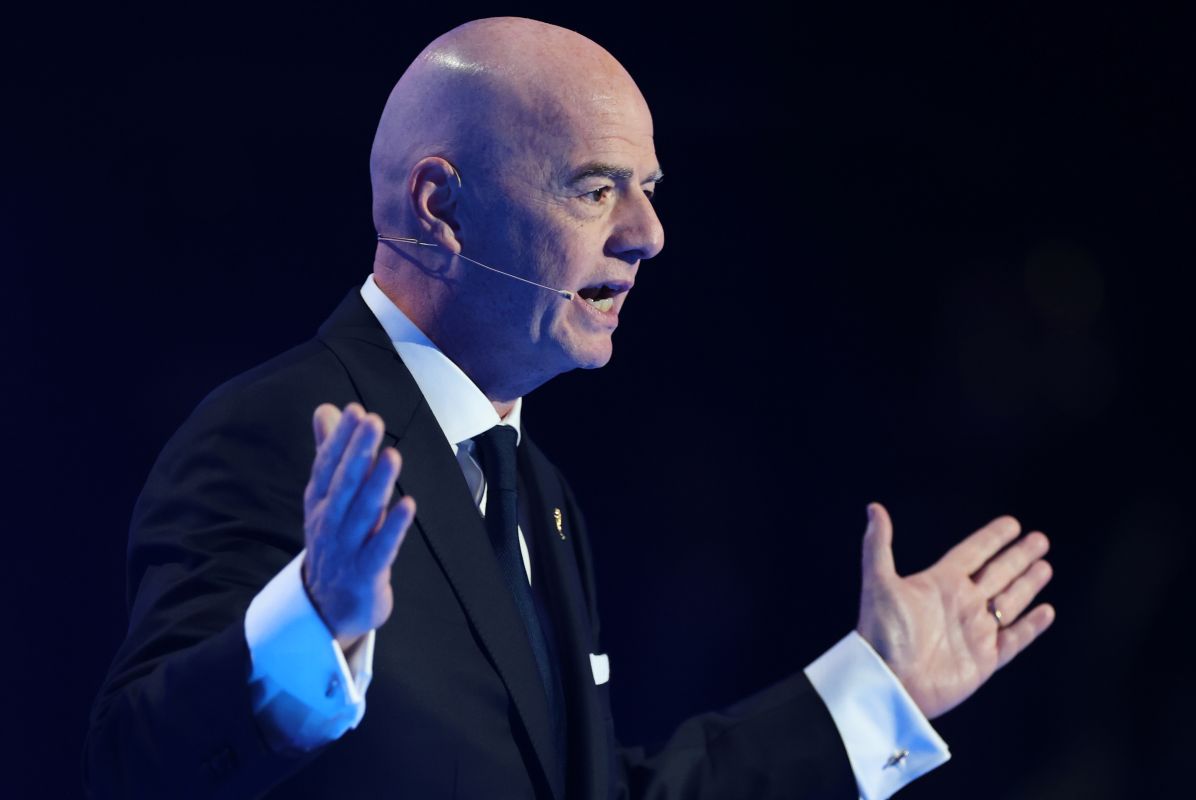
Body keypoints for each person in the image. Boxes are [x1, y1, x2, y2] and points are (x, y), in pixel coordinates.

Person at [85, 16, 1055, 800]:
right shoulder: (277, 430)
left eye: (649, 191)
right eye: (596, 189)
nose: (649, 234)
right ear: (440, 206)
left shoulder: (535, 490)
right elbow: (136, 764)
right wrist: (309, 629)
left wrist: (876, 694)